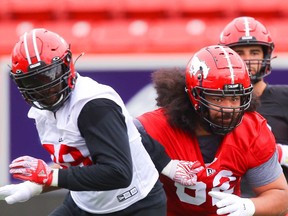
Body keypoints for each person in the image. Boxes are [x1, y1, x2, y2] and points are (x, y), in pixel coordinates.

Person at [0, 28, 203, 216]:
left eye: (49, 76)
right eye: (33, 82)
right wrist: (33, 186)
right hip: (86, 202)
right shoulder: (43, 111)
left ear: (66, 65)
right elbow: (79, 166)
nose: (45, 90)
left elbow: (118, 173)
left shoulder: (94, 106)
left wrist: (49, 176)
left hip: (133, 206)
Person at [136, 45, 288, 215]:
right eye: (218, 98)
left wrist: (249, 207)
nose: (229, 108)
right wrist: (164, 163)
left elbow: (280, 196)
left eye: (235, 98)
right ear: (195, 96)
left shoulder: (252, 130)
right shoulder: (157, 127)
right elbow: (117, 137)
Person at [219, 16, 288, 197]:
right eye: (239, 53)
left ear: (266, 55)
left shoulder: (284, 98)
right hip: (227, 203)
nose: (247, 60)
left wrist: (280, 153)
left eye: (254, 52)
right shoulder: (213, 104)